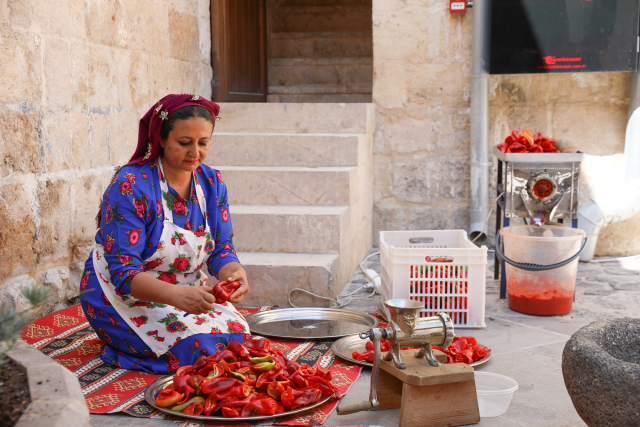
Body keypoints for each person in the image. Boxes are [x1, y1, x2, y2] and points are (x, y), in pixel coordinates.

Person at [79, 94, 250, 374]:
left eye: (203, 143)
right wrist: (178, 297)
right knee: (197, 351)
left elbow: (222, 249)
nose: (195, 152)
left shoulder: (211, 182)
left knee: (237, 340)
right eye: (184, 143)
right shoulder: (131, 185)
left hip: (184, 290)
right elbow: (124, 273)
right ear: (160, 138)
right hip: (123, 291)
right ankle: (119, 340)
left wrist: (235, 273)